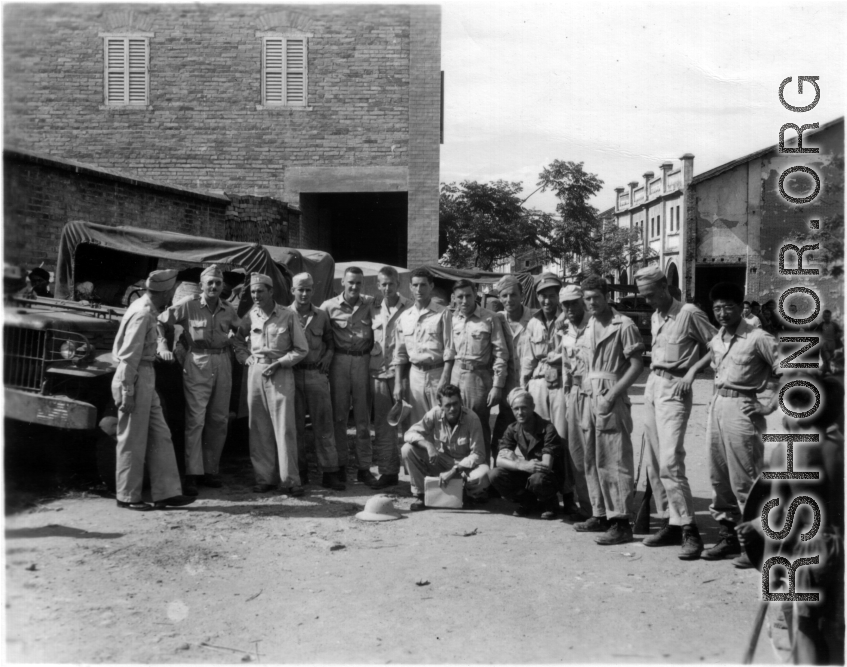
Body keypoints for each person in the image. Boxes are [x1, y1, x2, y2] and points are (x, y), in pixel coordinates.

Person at [736, 374, 844, 663]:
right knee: (834, 630)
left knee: (806, 630)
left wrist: (757, 529)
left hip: (811, 551)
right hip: (838, 546)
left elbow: (780, 516)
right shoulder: (839, 446)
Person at [634, 265, 716, 560]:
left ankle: (690, 531)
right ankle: (671, 520)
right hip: (653, 385)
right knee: (655, 462)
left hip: (675, 389)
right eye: (643, 296)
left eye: (651, 294)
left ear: (665, 287)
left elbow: (718, 344)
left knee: (671, 461)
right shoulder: (657, 316)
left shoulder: (689, 313)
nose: (647, 301)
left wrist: (693, 370)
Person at [701, 281, 780, 561]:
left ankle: (758, 546)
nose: (722, 313)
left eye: (728, 307)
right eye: (717, 308)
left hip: (744, 409)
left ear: (740, 308)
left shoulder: (758, 337)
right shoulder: (716, 339)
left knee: (745, 479)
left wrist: (768, 404)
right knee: (718, 476)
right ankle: (730, 537)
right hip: (718, 406)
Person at [111, 269, 194, 511]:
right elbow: (127, 358)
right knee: (132, 439)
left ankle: (166, 493)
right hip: (135, 375)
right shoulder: (143, 314)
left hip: (145, 375)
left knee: (160, 435)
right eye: (173, 291)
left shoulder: (144, 306)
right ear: (167, 291)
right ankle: (127, 496)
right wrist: (127, 391)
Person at [573, 275, 644, 545]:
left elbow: (636, 365)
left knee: (615, 459)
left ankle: (621, 522)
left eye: (596, 298)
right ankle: (600, 513)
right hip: (588, 396)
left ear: (606, 296)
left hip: (611, 396)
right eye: (587, 298)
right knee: (591, 457)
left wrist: (613, 394)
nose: (591, 303)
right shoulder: (588, 324)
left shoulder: (623, 324)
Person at [156, 265, 239, 496]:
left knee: (219, 419)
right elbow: (160, 321)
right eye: (209, 283)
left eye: (218, 283)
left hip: (222, 363)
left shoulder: (228, 309)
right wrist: (162, 345)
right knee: (196, 419)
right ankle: (192, 474)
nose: (213, 286)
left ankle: (211, 470)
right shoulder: (189, 305)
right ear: (201, 285)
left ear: (223, 287)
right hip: (197, 363)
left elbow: (242, 330)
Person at [234, 273, 309, 495]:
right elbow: (238, 339)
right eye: (253, 292)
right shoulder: (251, 316)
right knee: (258, 427)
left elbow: (301, 349)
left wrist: (282, 363)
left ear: (270, 292)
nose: (256, 296)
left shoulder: (287, 315)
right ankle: (264, 478)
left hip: (280, 373)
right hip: (256, 372)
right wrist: (245, 357)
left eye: (260, 291)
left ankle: (290, 480)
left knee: (285, 428)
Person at [321, 267, 379, 487]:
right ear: (342, 283)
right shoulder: (329, 307)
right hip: (339, 362)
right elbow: (325, 336)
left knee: (363, 420)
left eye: (358, 283)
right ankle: (341, 466)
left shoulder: (371, 304)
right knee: (339, 418)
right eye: (351, 282)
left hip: (363, 361)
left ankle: (364, 468)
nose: (354, 287)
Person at [289, 272, 345, 491]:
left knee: (324, 425)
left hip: (316, 375)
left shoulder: (321, 315)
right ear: (292, 291)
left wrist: (329, 356)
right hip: (292, 375)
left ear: (313, 290)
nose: (304, 294)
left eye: (308, 289)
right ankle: (299, 472)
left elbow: (330, 342)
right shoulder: (284, 314)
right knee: (295, 427)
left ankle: (329, 472)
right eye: (300, 289)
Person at [443, 279, 510, 461]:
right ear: (453, 298)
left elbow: (501, 354)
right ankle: (459, 475)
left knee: (478, 426)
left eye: (468, 296)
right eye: (460, 297)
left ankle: (482, 477)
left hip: (478, 379)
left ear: (476, 295)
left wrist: (497, 386)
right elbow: (449, 351)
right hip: (456, 375)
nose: (464, 301)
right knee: (455, 424)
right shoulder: (451, 319)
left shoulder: (490, 318)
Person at [401, 384, 491, 511]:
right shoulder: (434, 414)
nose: (452, 409)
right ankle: (422, 495)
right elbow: (409, 434)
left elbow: (479, 454)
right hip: (442, 463)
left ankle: (469, 495)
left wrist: (454, 470)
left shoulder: (472, 418)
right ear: (440, 405)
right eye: (448, 405)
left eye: (455, 403)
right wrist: (428, 445)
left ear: (461, 402)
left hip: (464, 467)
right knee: (407, 449)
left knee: (483, 474)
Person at [489, 388, 564, 519]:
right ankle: (528, 501)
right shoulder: (512, 429)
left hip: (549, 476)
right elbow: (499, 461)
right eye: (516, 409)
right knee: (495, 474)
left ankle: (549, 502)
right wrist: (520, 464)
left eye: (524, 408)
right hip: (529, 470)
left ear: (533, 407)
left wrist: (517, 460)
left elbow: (546, 465)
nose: (520, 413)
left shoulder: (547, 429)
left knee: (537, 479)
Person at [369, 266, 412, 489]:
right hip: (379, 373)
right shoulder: (373, 308)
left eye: (391, 284)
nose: (387, 288)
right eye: (383, 284)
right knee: (384, 426)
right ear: (378, 285)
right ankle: (388, 472)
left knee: (410, 424)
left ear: (399, 284)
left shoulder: (410, 307)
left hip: (404, 374)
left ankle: (416, 474)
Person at [394, 268, 452, 427]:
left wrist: (445, 378)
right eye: (415, 285)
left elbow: (449, 349)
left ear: (431, 286)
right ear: (410, 287)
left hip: (437, 373)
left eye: (423, 285)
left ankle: (441, 452)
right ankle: (421, 452)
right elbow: (399, 354)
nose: (419, 289)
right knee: (418, 424)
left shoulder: (443, 313)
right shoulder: (404, 317)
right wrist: (398, 383)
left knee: (441, 420)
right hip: (415, 376)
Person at [490, 275, 534, 463]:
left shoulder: (535, 317)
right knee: (501, 440)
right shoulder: (496, 320)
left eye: (513, 295)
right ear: (499, 298)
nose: (509, 300)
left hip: (531, 388)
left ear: (522, 295)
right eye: (504, 296)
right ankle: (500, 477)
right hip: (508, 391)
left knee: (533, 439)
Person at [559, 283, 592, 520]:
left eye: (574, 302)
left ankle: (607, 511)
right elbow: (565, 366)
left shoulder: (597, 324)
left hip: (596, 395)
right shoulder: (566, 329)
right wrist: (567, 394)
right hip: (574, 395)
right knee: (576, 454)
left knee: (597, 454)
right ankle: (588, 509)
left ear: (583, 301)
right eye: (566, 304)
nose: (570, 308)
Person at [812, 309, 843, 374]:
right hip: (824, 343)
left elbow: (840, 331)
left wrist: (838, 335)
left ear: (830, 317)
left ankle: (827, 369)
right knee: (825, 357)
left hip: (832, 343)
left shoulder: (834, 325)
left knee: (830, 357)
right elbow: (815, 332)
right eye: (825, 316)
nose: (827, 318)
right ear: (823, 317)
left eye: (828, 316)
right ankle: (827, 369)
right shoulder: (821, 325)